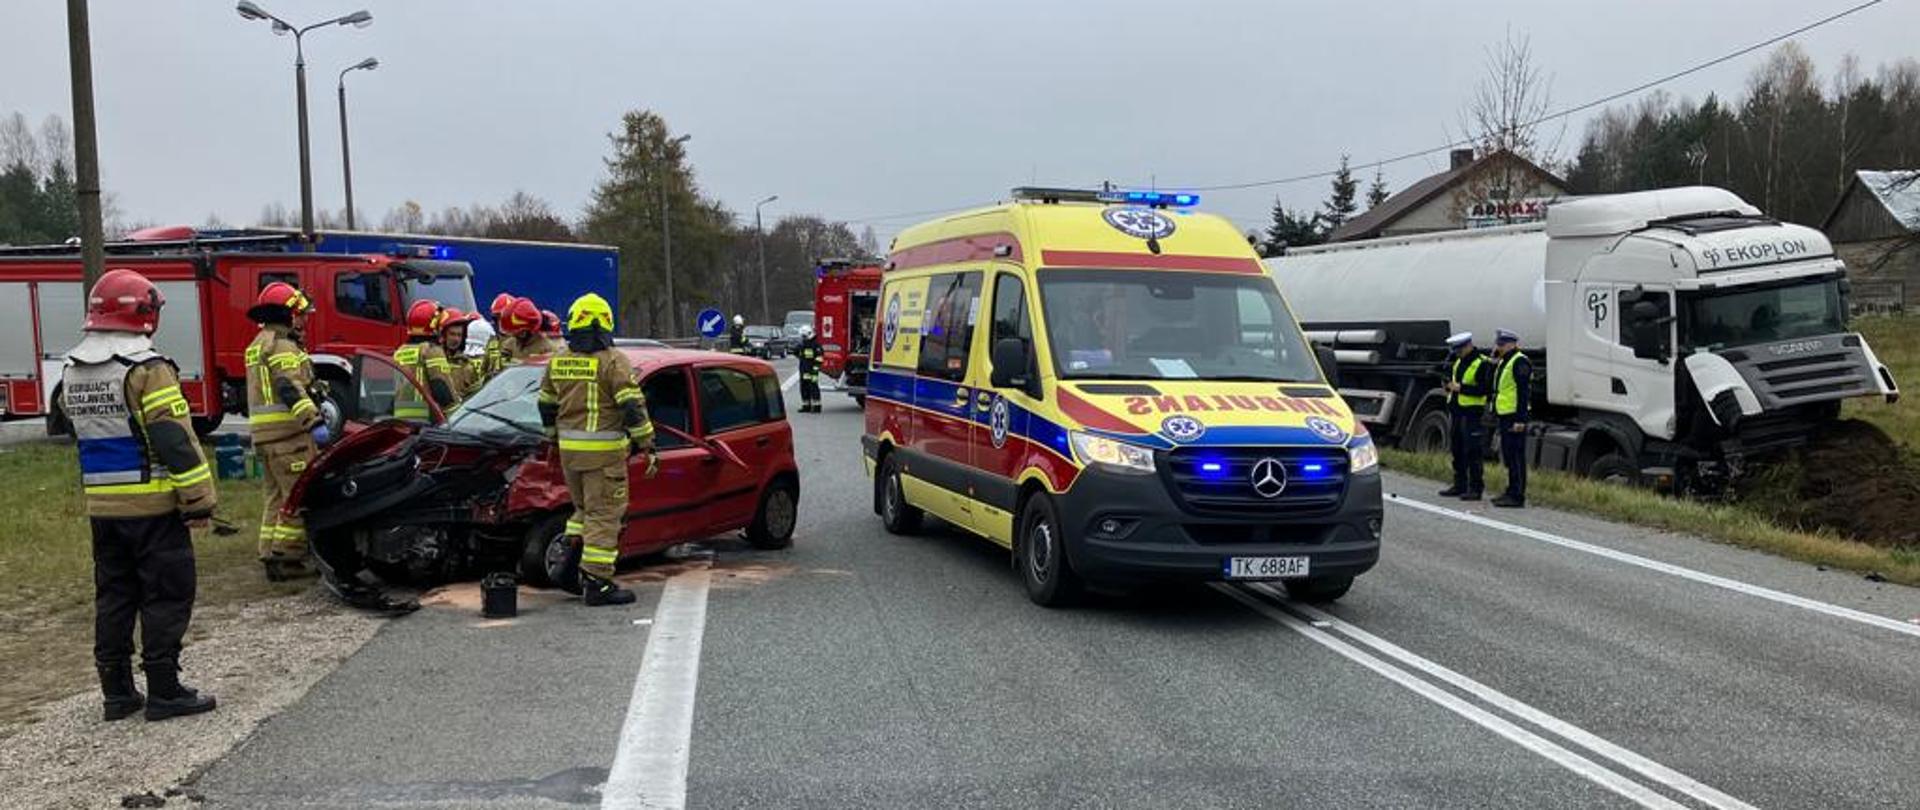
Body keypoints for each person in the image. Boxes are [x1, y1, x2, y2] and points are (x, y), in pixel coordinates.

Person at [57, 269, 218, 721]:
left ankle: (117, 691)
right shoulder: (147, 369)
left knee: (114, 595)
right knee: (166, 594)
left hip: (103, 508)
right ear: (144, 312)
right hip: (153, 507)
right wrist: (199, 501)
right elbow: (173, 440)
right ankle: (165, 689)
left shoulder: (73, 370)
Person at [538, 293, 658, 606]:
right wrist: (646, 443)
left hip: (570, 455)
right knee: (606, 515)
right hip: (603, 456)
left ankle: (567, 565)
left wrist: (553, 438)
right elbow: (631, 405)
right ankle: (598, 582)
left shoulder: (559, 359)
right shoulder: (613, 360)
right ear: (604, 323)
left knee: (583, 511)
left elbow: (546, 405)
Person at [245, 282, 330, 581]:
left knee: (276, 496)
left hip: (265, 438)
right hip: (288, 435)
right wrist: (313, 422)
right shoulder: (282, 345)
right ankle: (288, 558)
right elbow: (287, 385)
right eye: (300, 314)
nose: (304, 320)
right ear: (288, 314)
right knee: (298, 495)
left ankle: (269, 552)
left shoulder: (258, 342)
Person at [1438, 331, 1491, 501]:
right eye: (1456, 351)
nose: (1458, 353)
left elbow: (1485, 390)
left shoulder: (1482, 363)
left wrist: (1461, 388)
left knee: (1473, 451)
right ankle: (1459, 484)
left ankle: (1476, 488)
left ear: (1469, 346)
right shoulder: (1459, 362)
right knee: (1457, 449)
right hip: (1457, 411)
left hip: (1472, 413)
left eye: (1460, 350)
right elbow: (1455, 384)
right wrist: (1449, 387)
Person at [1489, 328, 1533, 508]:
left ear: (1513, 344)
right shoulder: (1504, 361)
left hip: (1515, 416)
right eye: (1498, 344)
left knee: (1516, 457)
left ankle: (1517, 495)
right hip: (1505, 414)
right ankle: (1511, 490)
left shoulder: (1519, 362)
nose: (1500, 347)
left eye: (1503, 344)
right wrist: (1494, 358)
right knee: (1509, 455)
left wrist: (1520, 420)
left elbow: (1523, 393)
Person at [394, 300, 458, 422]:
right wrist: (456, 413)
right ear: (433, 325)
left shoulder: (399, 351)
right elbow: (441, 386)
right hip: (426, 418)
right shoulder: (431, 351)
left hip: (401, 416)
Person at [500, 297, 557, 363]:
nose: (514, 335)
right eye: (512, 332)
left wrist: (515, 362)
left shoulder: (547, 348)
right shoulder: (510, 343)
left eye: (519, 333)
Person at [440, 308, 481, 400]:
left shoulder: (468, 366)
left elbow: (476, 397)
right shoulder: (433, 359)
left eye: (459, 335)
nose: (456, 339)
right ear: (443, 335)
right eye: (452, 334)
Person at [481, 292, 517, 381]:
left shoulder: (520, 342)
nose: (503, 322)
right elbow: (483, 370)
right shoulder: (493, 342)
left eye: (506, 318)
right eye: (499, 318)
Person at [794, 324, 823, 413]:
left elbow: (819, 358)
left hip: (813, 370)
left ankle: (817, 406)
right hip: (804, 370)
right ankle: (806, 406)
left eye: (804, 336)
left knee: (813, 387)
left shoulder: (816, 345)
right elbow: (796, 352)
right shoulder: (803, 344)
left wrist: (815, 369)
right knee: (804, 387)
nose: (803, 338)